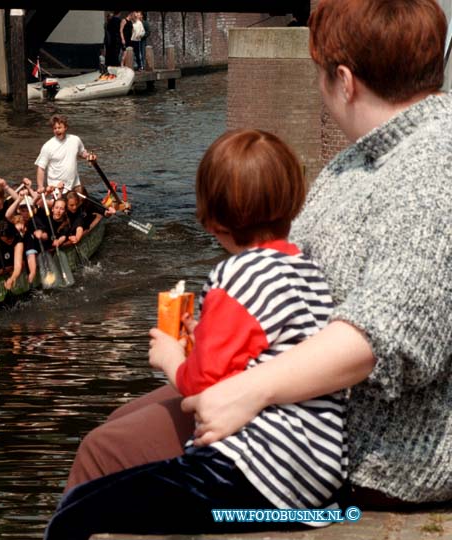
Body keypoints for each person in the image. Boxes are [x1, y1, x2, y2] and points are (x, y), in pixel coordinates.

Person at [55, 0, 452, 533]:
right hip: (300, 412)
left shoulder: (432, 171)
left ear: (344, 79)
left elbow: (382, 337)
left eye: (318, 72)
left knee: (104, 456)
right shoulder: (360, 158)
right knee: (118, 427)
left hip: (361, 452)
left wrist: (249, 389)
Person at [46, 129, 342, 539]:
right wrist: (204, 336)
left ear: (213, 217)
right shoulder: (306, 267)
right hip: (317, 473)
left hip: (255, 477)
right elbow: (262, 348)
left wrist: (170, 356)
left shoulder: (233, 277)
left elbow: (203, 386)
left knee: (76, 516)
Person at [35, 114, 97, 194]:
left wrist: (89, 156)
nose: (57, 130)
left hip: (75, 185)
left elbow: (82, 153)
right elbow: (41, 168)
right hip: (57, 188)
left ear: (66, 127)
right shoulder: (48, 146)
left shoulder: (75, 140)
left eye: (59, 127)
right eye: (55, 128)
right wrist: (40, 186)